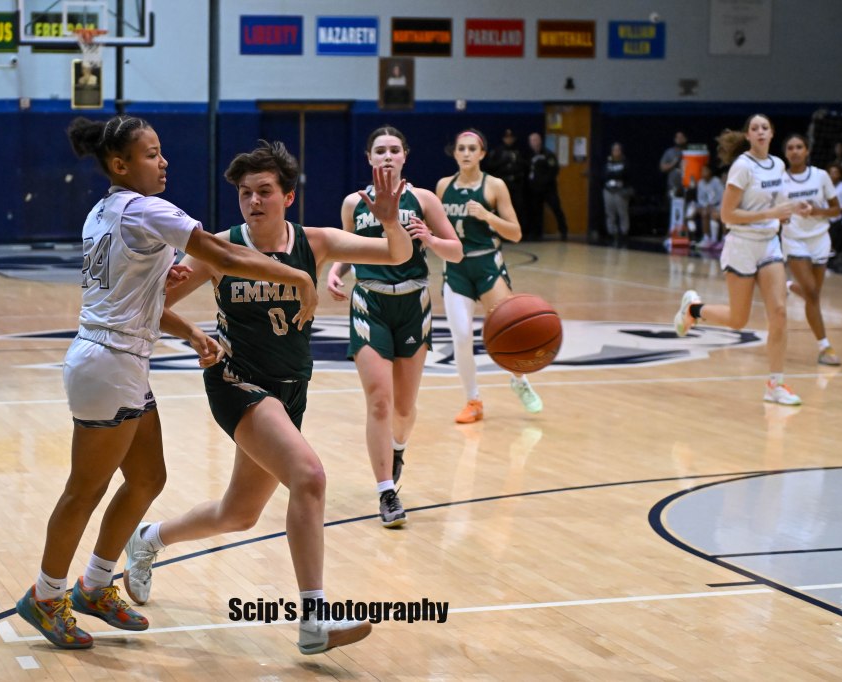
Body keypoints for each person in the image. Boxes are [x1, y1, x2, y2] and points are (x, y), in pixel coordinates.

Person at [15, 116, 321, 650]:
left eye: (161, 152)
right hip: (108, 363)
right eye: (151, 154)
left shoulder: (104, 212)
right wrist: (296, 275)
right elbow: (225, 256)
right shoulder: (146, 209)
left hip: (121, 359)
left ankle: (95, 585)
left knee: (147, 478)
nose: (163, 162)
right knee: (84, 490)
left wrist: (191, 330)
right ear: (120, 165)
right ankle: (45, 596)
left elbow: (137, 298)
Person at [121, 141, 412, 655]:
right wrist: (195, 336)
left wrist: (389, 222)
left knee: (239, 513)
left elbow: (397, 255)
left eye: (264, 191)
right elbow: (148, 307)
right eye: (244, 193)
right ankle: (314, 619)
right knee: (310, 476)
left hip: (289, 389)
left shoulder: (315, 243)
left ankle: (148, 539)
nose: (253, 201)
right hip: (235, 380)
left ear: (288, 197)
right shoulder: (219, 249)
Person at [326, 125, 463, 528]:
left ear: (405, 156)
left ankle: (398, 448)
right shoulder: (354, 202)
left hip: (413, 303)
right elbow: (348, 245)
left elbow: (456, 251)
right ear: (369, 158)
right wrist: (336, 270)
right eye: (380, 150)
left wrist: (430, 240)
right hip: (369, 302)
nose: (387, 156)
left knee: (403, 407)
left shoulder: (424, 199)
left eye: (394, 150)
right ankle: (386, 491)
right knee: (380, 402)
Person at [673, 114, 811, 405]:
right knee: (738, 319)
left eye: (765, 128)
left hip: (769, 245)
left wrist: (795, 208)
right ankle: (694, 309)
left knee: (779, 313)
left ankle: (775, 384)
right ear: (748, 135)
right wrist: (769, 214)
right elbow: (727, 215)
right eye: (754, 128)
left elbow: (777, 204)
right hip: (742, 246)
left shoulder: (778, 165)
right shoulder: (742, 167)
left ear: (772, 133)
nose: (760, 132)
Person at [435, 129, 543, 424]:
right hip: (456, 268)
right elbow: (437, 228)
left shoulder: (494, 185)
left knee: (510, 330)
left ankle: (520, 381)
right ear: (455, 153)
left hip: (487, 267)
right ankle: (473, 401)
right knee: (461, 337)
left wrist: (487, 216)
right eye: (461, 148)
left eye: (472, 148)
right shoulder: (443, 186)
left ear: (482, 153)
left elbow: (516, 233)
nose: (466, 153)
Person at [780, 133, 842, 366]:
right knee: (812, 293)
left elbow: (836, 210)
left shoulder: (820, 176)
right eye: (790, 148)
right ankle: (825, 347)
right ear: (786, 154)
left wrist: (816, 211)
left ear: (806, 151)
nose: (795, 151)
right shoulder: (780, 181)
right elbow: (774, 212)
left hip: (820, 239)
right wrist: (784, 216)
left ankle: (788, 286)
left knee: (813, 294)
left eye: (799, 147)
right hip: (795, 240)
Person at [482, 128, 529, 233]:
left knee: (519, 207)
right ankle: (501, 232)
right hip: (503, 182)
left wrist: (517, 161)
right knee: (500, 208)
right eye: (507, 138)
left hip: (516, 183)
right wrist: (503, 161)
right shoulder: (497, 150)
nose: (509, 140)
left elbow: (526, 166)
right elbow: (489, 166)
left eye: (511, 138)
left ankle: (521, 232)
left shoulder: (518, 150)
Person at [526, 132, 569, 241]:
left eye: (536, 140)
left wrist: (544, 181)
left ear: (540, 141)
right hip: (535, 189)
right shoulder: (529, 156)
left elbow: (554, 170)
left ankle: (563, 231)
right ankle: (536, 233)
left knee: (556, 209)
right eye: (532, 141)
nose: (534, 143)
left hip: (548, 189)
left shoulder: (548, 154)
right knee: (536, 211)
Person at [602, 142, 632, 248]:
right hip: (608, 190)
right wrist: (614, 175)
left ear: (621, 151)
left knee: (622, 213)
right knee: (610, 213)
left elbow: (625, 175)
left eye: (618, 150)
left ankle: (624, 233)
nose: (616, 152)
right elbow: (604, 174)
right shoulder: (608, 162)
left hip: (621, 191)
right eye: (614, 150)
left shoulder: (625, 163)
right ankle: (612, 233)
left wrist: (615, 175)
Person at [693, 165, 725, 248]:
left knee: (717, 214)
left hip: (718, 205)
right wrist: (706, 205)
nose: (703, 173)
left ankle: (719, 240)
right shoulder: (700, 183)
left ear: (710, 172)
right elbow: (700, 198)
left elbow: (721, 196)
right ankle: (706, 238)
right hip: (706, 206)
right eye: (702, 171)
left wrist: (712, 205)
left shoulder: (716, 181)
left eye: (705, 171)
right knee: (703, 212)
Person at [660, 131, 688, 199]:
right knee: (673, 204)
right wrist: (673, 163)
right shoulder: (669, 152)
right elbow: (662, 168)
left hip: (687, 187)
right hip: (673, 186)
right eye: (678, 137)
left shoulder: (690, 152)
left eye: (681, 137)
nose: (680, 139)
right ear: (675, 140)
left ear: (685, 139)